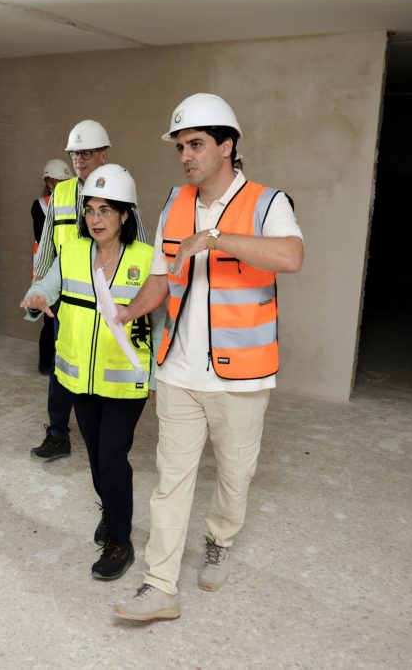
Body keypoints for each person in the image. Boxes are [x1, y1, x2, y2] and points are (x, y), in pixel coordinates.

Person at [112, 93, 304, 621]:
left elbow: (291, 255)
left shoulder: (268, 203)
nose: (186, 156)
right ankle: (160, 586)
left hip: (241, 377)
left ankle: (219, 538)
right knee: (170, 481)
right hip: (178, 370)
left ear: (228, 145)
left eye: (195, 144)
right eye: (180, 147)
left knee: (234, 475)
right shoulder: (175, 201)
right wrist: (127, 313)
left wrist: (215, 238)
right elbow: (160, 279)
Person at [21, 164, 159, 580]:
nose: (96, 219)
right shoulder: (73, 253)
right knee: (97, 458)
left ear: (125, 215)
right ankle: (112, 510)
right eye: (90, 210)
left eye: (106, 210)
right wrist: (35, 296)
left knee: (113, 456)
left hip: (125, 379)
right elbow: (48, 285)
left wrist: (157, 375)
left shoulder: (148, 260)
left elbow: (163, 322)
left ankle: (121, 540)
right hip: (79, 378)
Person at [29, 120, 149, 462]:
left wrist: (138, 295)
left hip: (112, 294)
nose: (79, 158)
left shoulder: (120, 188)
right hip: (70, 293)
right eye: (75, 153)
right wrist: (40, 288)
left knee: (107, 359)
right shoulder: (63, 193)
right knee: (62, 363)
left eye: (86, 152)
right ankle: (57, 434)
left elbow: (137, 242)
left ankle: (107, 430)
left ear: (103, 154)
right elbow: (49, 244)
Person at [31, 158, 74, 374]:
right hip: (49, 267)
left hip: (72, 265)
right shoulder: (40, 205)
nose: (58, 186)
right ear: (48, 183)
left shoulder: (75, 201)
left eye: (63, 181)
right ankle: (46, 362)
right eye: (55, 182)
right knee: (50, 317)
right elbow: (44, 237)